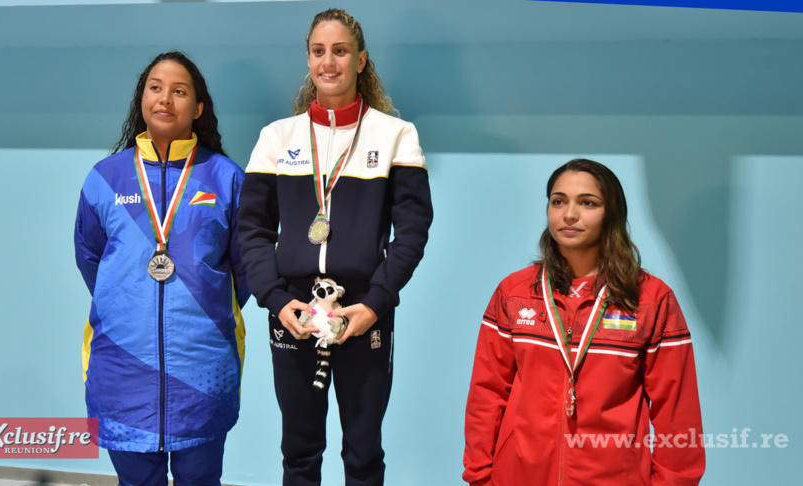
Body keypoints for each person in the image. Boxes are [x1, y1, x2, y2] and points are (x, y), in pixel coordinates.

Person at [238, 8, 433, 486]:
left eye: (341, 51)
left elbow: (412, 231)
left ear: (361, 60)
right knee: (300, 452)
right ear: (307, 60)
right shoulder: (275, 138)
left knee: (363, 451)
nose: (329, 62)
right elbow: (253, 230)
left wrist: (375, 304)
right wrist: (277, 302)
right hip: (295, 313)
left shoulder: (395, 136)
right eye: (319, 51)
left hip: (364, 311)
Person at [463, 159, 705, 485]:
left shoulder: (650, 299)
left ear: (611, 214)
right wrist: (479, 476)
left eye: (587, 203)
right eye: (558, 201)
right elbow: (487, 393)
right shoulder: (515, 293)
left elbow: (676, 411)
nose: (570, 215)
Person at [74, 51, 249, 486]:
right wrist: (130, 302)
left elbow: (243, 269)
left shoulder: (225, 178)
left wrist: (202, 314)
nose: (165, 98)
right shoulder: (105, 179)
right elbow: (91, 258)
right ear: (142, 99)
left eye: (179, 91)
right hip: (122, 371)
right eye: (155, 88)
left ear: (198, 107)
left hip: (203, 373)